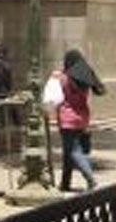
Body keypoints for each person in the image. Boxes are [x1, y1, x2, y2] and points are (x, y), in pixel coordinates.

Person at [45, 49, 106, 193]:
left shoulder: (63, 79)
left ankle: (91, 178)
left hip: (67, 120)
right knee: (68, 153)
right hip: (82, 118)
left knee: (74, 151)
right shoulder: (83, 79)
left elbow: (53, 97)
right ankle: (65, 183)